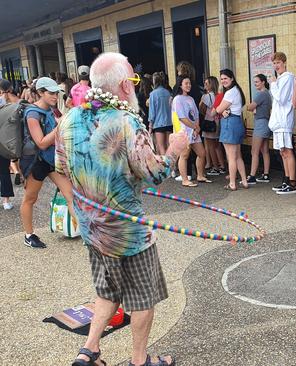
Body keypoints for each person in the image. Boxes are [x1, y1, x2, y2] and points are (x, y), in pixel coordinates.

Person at [57, 52, 187, 366]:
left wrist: (82, 203)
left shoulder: (70, 119)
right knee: (143, 297)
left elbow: (62, 168)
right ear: (124, 87)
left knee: (106, 292)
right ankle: (139, 361)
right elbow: (155, 174)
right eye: (132, 79)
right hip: (127, 235)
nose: (133, 85)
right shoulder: (127, 122)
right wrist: (174, 150)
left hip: (93, 229)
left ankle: (88, 352)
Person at [19, 77, 76, 248]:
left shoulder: (51, 110)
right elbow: (41, 142)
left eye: (56, 92)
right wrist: (60, 127)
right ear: (40, 93)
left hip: (51, 160)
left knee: (70, 194)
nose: (55, 96)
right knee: (30, 198)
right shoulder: (32, 114)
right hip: (36, 162)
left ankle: (87, 233)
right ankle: (29, 235)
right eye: (51, 93)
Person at [268, 52, 296, 194]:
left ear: (284, 63)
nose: (276, 66)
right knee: (282, 152)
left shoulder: (287, 78)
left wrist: (273, 84)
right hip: (278, 121)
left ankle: (292, 182)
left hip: (284, 120)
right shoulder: (281, 78)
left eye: (278, 63)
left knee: (287, 150)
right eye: (274, 63)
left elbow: (281, 98)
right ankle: (286, 179)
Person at [172, 76, 211, 187]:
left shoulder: (191, 99)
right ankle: (185, 180)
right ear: (180, 85)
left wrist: (197, 127)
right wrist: (195, 127)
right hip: (183, 131)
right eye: (186, 83)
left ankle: (200, 175)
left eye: (189, 83)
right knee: (184, 155)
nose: (188, 85)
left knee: (202, 153)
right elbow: (181, 117)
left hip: (194, 130)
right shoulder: (177, 99)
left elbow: (196, 114)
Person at [214, 69, 248, 191]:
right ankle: (244, 181)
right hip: (237, 122)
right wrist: (223, 110)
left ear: (232, 78)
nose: (223, 81)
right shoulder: (237, 91)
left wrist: (222, 110)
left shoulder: (229, 93)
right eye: (221, 79)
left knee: (231, 156)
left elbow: (217, 110)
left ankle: (232, 183)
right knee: (238, 155)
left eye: (225, 78)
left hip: (230, 124)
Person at [246, 74, 272, 184]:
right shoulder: (268, 94)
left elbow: (249, 107)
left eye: (257, 82)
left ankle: (252, 175)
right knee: (265, 150)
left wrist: (253, 107)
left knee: (254, 151)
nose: (255, 84)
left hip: (260, 123)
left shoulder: (261, 94)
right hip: (266, 122)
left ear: (263, 82)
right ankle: (266, 174)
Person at [199, 76, 226, 177]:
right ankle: (222, 166)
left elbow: (200, 108)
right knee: (217, 146)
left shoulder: (206, 96)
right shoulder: (219, 95)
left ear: (211, 85)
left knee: (210, 146)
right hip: (218, 121)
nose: (205, 85)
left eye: (207, 83)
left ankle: (215, 167)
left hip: (209, 121)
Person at [0, 79, 17, 209]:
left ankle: (6, 200)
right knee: (4, 171)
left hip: (4, 143)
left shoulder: (11, 105)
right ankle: (6, 200)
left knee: (4, 171)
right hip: (4, 142)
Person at [148, 72, 173, 155]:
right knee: (169, 146)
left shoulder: (153, 94)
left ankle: (166, 167)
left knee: (161, 146)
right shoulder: (168, 92)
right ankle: (172, 165)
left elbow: (152, 112)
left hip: (158, 123)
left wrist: (150, 126)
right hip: (169, 122)